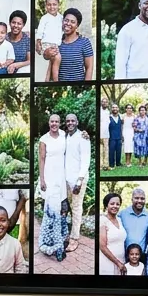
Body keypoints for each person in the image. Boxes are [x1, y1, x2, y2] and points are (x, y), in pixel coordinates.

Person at [37, 114, 70, 260]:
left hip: (61, 178)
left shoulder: (64, 135)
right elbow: (41, 160)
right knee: (52, 212)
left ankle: (61, 240)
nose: (54, 124)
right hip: (49, 178)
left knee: (63, 210)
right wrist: (42, 180)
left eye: (57, 121)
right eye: (52, 121)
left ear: (60, 123)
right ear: (48, 123)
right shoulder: (44, 139)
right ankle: (54, 245)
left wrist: (85, 135)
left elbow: (75, 141)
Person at [114, 0, 148, 80]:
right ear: (139, 5)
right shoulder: (127, 30)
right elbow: (120, 63)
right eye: (147, 3)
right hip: (133, 83)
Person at [63, 113, 92, 252]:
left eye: (72, 121)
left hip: (78, 179)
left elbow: (86, 160)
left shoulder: (83, 137)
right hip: (66, 179)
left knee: (76, 207)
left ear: (77, 122)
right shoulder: (65, 136)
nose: (70, 123)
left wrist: (79, 180)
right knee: (67, 207)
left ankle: (74, 238)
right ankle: (67, 234)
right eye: (68, 121)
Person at [50, 8, 94, 82]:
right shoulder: (56, 42)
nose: (68, 23)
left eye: (72, 22)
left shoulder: (84, 42)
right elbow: (50, 63)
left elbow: (89, 67)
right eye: (66, 20)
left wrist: (86, 86)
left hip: (78, 87)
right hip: (59, 87)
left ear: (77, 25)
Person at [34, 0, 62, 82]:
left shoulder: (61, 18)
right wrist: (38, 42)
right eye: (49, 5)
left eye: (54, 4)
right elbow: (40, 31)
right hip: (47, 44)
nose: (52, 7)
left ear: (58, 5)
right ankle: (56, 80)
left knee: (51, 63)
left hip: (56, 44)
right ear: (46, 6)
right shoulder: (44, 18)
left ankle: (48, 80)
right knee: (57, 58)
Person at [98, 192, 127, 275]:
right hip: (107, 262)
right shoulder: (102, 220)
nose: (115, 206)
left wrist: (121, 263)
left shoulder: (119, 220)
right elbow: (102, 246)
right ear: (106, 205)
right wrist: (118, 263)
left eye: (118, 204)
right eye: (112, 204)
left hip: (121, 261)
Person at [120, 187, 148, 253]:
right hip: (124, 254)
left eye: (142, 198)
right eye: (136, 198)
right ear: (132, 199)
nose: (139, 201)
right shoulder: (122, 214)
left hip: (141, 254)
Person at [0, 10, 32, 74]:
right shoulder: (4, 38)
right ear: (9, 23)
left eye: (19, 24)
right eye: (13, 22)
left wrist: (15, 65)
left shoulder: (27, 39)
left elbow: (29, 60)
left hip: (21, 70)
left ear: (23, 25)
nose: (16, 26)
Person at [107, 104, 123, 169]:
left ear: (118, 109)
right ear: (111, 109)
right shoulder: (108, 117)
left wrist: (122, 135)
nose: (115, 109)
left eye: (116, 107)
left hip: (119, 136)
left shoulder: (120, 117)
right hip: (111, 137)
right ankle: (111, 164)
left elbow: (122, 126)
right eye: (113, 107)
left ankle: (118, 163)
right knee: (111, 151)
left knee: (119, 150)